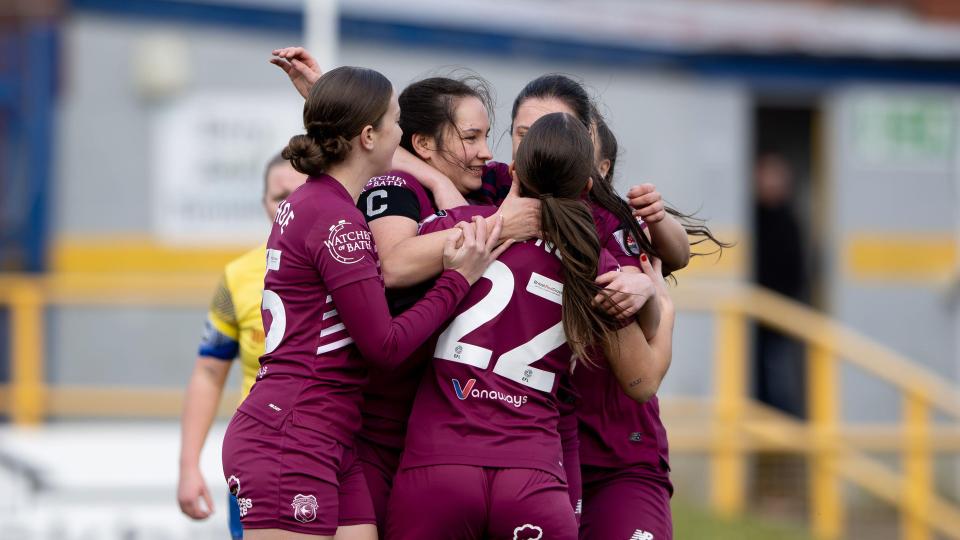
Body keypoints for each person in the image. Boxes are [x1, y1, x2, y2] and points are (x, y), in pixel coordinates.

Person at [220, 66, 506, 540]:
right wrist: (456, 279)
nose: (403, 135)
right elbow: (386, 346)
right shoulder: (338, 221)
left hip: (329, 435)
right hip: (292, 434)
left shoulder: (313, 201)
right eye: (395, 122)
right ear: (369, 135)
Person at [386, 112, 676, 540]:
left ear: (515, 172)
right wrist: (664, 310)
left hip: (439, 465)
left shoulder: (461, 230)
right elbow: (641, 381)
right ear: (587, 188)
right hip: (531, 475)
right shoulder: (593, 263)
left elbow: (390, 267)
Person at [177, 155, 307, 539]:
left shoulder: (354, 260)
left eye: (297, 195)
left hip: (334, 449)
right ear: (264, 203)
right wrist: (188, 466)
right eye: (277, 197)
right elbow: (208, 372)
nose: (287, 207)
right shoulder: (237, 277)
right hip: (260, 457)